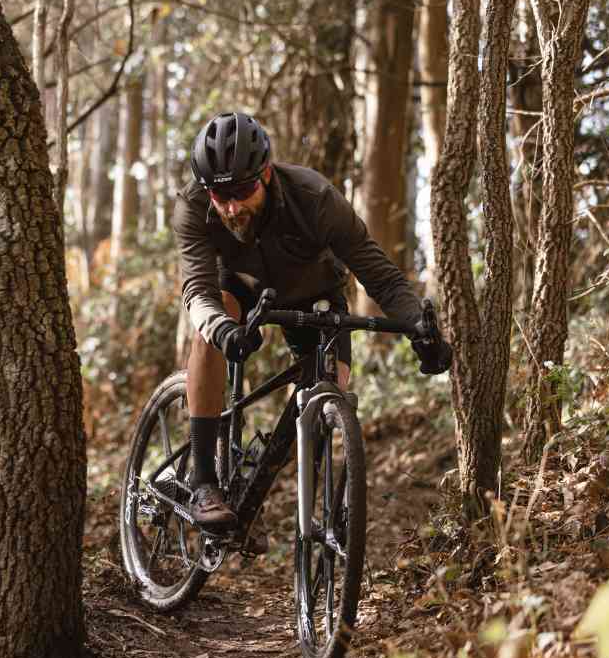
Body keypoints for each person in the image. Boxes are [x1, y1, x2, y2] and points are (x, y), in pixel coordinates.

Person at [173, 111, 453, 530]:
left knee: (327, 395)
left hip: (315, 295)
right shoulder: (194, 205)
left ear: (265, 174)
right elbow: (197, 290)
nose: (231, 208)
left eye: (243, 190)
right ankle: (204, 480)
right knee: (214, 322)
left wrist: (420, 328)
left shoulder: (315, 198)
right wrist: (221, 329)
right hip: (236, 291)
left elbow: (380, 276)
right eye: (219, 195)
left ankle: (254, 473)